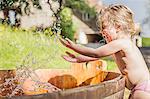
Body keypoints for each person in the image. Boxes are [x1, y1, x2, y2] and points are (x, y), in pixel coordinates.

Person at [59, 4, 150, 99]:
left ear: (118, 27)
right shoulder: (121, 45)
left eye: (104, 27)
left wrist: (73, 46)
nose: (102, 32)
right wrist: (78, 58)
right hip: (140, 88)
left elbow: (95, 53)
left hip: (141, 89)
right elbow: (96, 56)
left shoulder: (122, 43)